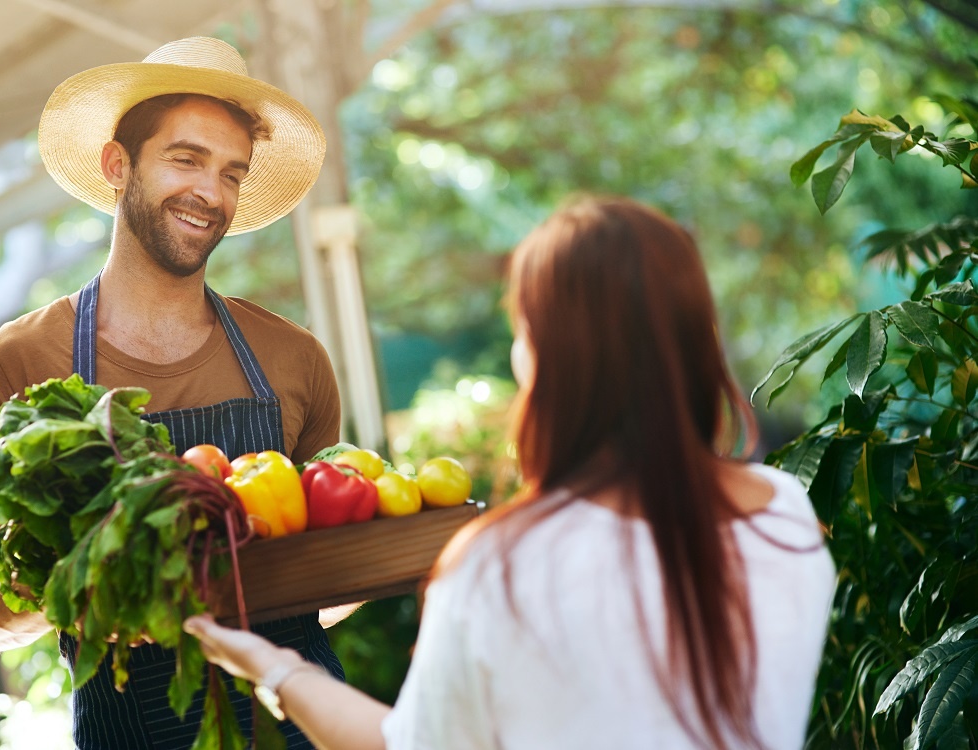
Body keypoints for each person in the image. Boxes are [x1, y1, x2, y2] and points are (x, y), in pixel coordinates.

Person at [182, 195, 838, 749]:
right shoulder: (783, 511)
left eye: (522, 330)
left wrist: (270, 667)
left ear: (551, 356)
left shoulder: (503, 563)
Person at [0, 37, 355, 750]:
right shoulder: (13, 367)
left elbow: (330, 585)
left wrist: (375, 561)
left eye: (231, 172)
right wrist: (76, 584)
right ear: (116, 164)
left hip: (303, 728)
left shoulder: (294, 358)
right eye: (185, 159)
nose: (210, 193)